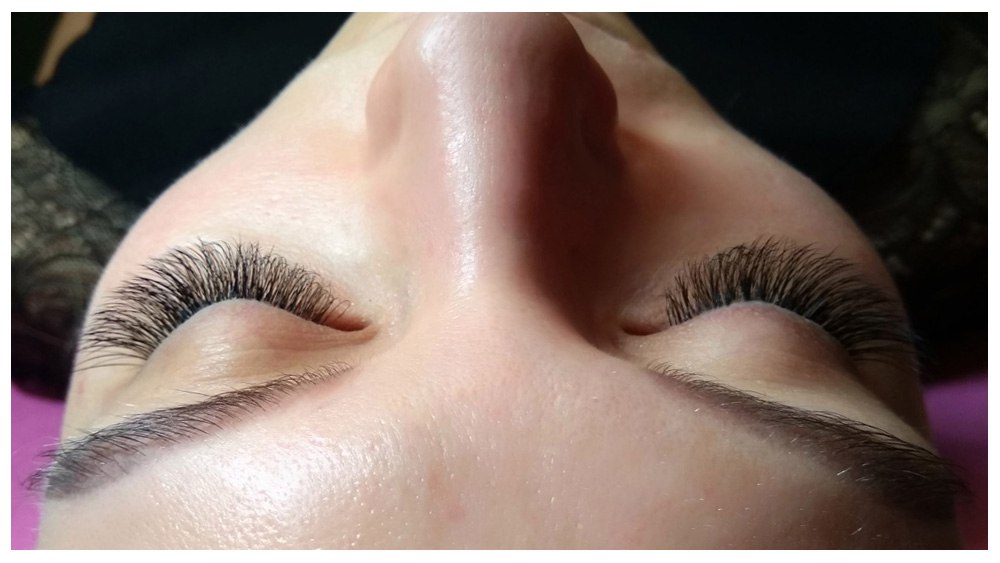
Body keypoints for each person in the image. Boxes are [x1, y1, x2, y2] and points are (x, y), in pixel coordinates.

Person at [33, 13, 963, 548]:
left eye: (221, 314)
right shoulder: (954, 129)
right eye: (767, 319)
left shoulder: (48, 177)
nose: (479, 34)